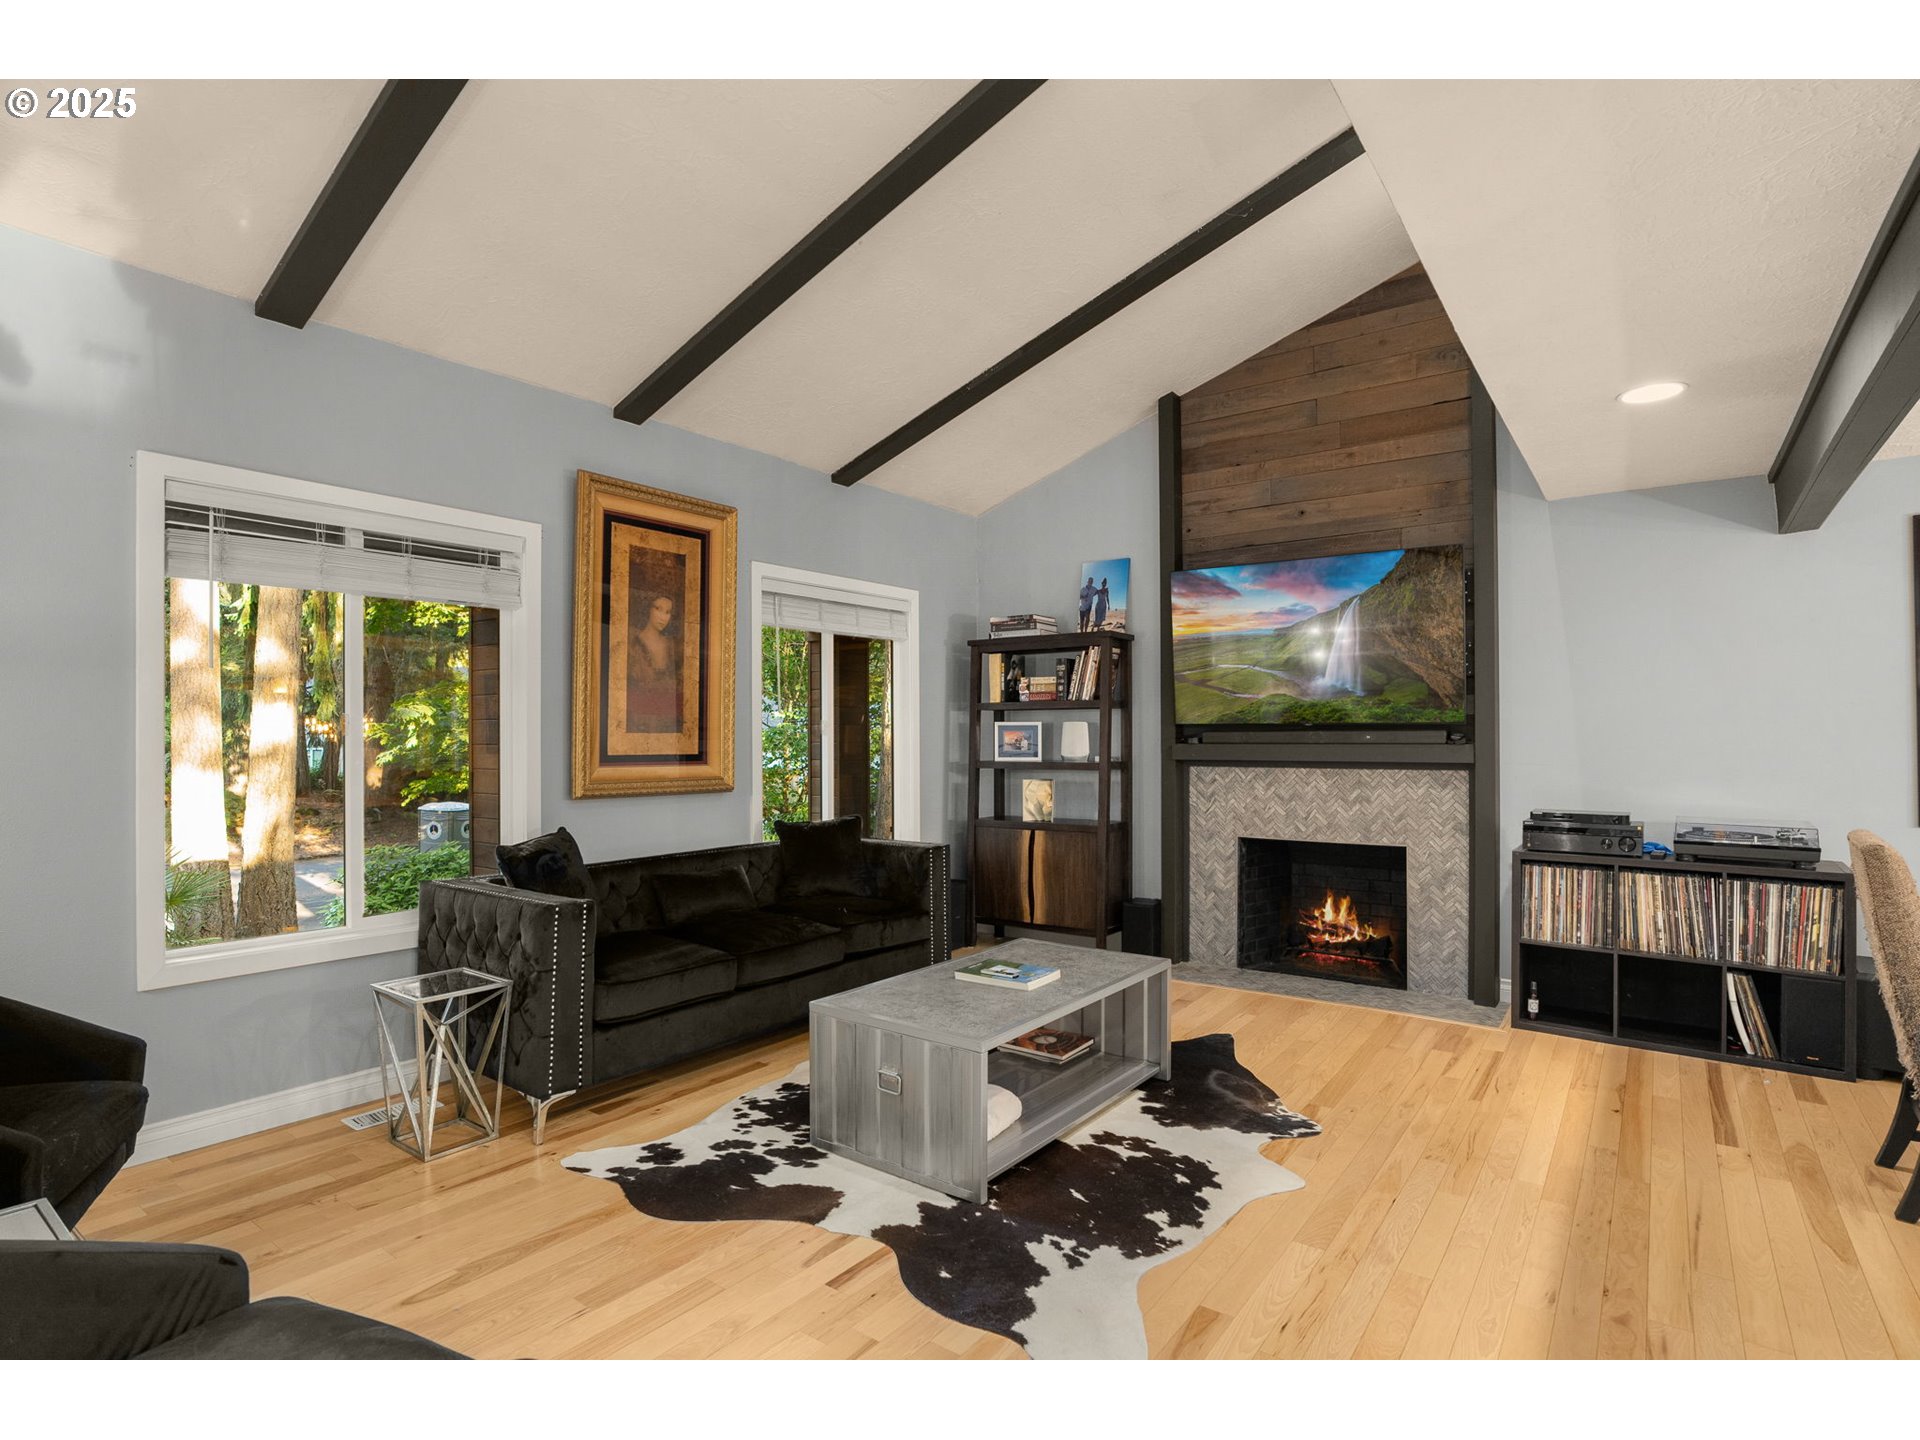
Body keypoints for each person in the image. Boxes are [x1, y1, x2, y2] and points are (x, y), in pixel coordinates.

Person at [625, 592, 681, 732]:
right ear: (648, 608)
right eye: (658, 609)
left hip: (666, 722)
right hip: (638, 721)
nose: (663, 617)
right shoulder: (632, 643)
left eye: (668, 612)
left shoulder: (671, 646)